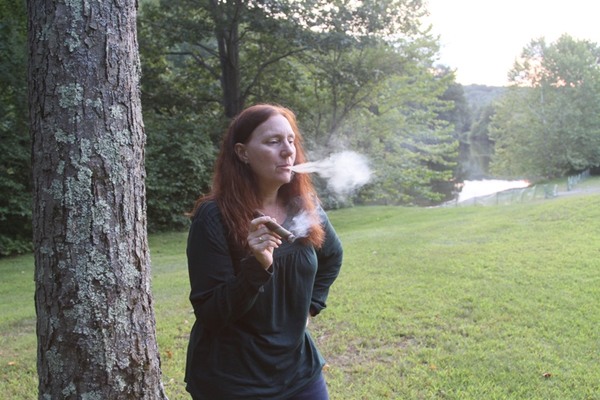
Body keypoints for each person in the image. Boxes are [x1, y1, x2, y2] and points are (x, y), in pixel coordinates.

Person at [185, 104, 343, 399]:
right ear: (242, 153)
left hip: (299, 372)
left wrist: (311, 306)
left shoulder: (303, 205)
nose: (288, 151)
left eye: (291, 140)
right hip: (234, 381)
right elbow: (210, 313)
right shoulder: (214, 217)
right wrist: (257, 267)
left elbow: (332, 256)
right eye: (273, 141)